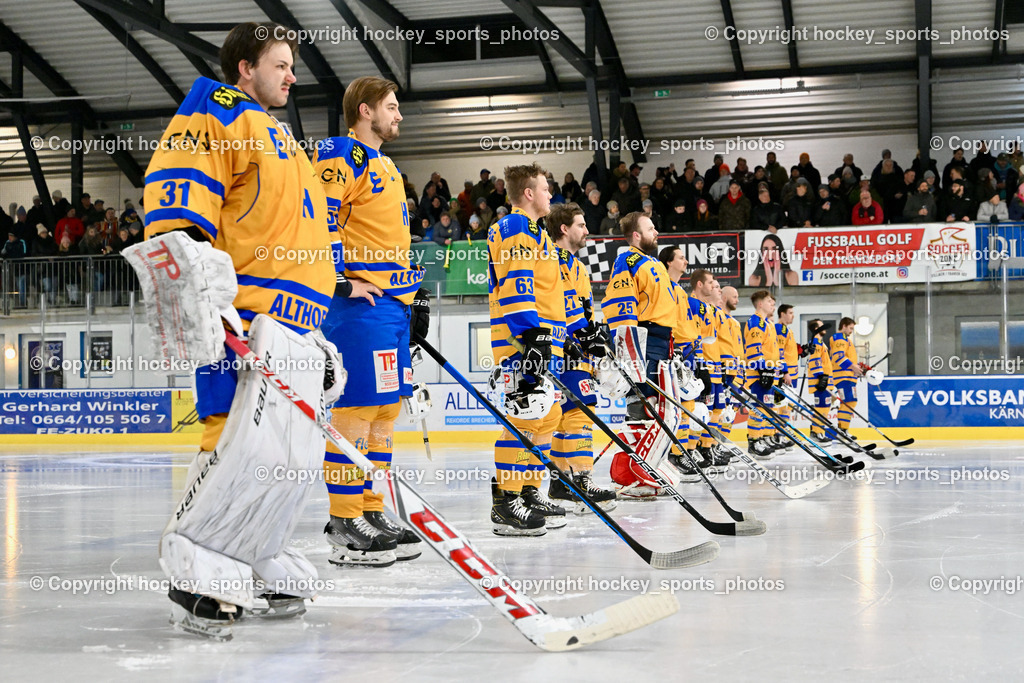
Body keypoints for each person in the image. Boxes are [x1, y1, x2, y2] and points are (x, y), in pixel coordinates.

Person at [142, 22, 338, 636]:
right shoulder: (219, 108)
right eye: (279, 64)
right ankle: (195, 556)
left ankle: (252, 544)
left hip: (298, 320)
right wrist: (202, 283)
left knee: (291, 454)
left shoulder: (286, 138)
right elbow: (181, 195)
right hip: (247, 314)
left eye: (292, 66)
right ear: (244, 68)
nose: (291, 75)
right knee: (234, 436)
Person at [314, 76, 428, 566]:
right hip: (359, 308)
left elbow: (384, 237)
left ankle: (371, 508)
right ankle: (343, 519)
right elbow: (323, 213)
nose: (399, 115)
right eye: (392, 106)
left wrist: (412, 293)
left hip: (391, 306)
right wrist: (340, 279)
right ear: (365, 111)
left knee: (386, 413)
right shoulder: (343, 153)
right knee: (356, 411)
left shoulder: (386, 163)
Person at [487, 163, 565, 536]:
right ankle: (506, 500)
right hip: (522, 339)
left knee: (546, 419)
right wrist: (530, 335)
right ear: (529, 193)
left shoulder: (537, 232)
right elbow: (516, 281)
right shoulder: (515, 226)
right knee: (524, 418)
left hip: (541, 338)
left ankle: (531, 490)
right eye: (546, 188)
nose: (551, 193)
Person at [543, 202, 617, 512]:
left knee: (568, 414)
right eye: (581, 225)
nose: (587, 230)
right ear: (564, 229)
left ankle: (563, 481)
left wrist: (595, 338)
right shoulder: (552, 260)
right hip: (561, 348)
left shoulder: (577, 266)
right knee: (575, 414)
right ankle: (580, 478)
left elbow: (583, 309)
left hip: (576, 350)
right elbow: (559, 304)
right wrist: (582, 336)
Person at [744, 290, 781, 458]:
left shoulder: (767, 324)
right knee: (759, 408)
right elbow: (754, 347)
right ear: (760, 304)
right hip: (759, 374)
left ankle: (760, 439)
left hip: (768, 373)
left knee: (766, 408)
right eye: (769, 301)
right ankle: (753, 441)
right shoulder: (756, 321)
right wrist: (763, 369)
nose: (772, 304)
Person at [830, 317, 863, 438]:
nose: (851, 331)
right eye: (850, 328)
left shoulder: (845, 339)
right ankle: (842, 430)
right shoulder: (840, 338)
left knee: (851, 401)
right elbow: (839, 357)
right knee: (849, 401)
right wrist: (853, 367)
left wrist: (856, 368)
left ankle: (843, 430)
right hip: (843, 376)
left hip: (848, 376)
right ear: (843, 326)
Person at [772, 304, 799, 450]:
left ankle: (782, 433)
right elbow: (779, 352)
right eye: (790, 313)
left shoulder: (786, 330)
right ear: (782, 314)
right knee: (780, 405)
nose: (792, 315)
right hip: (785, 375)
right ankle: (777, 435)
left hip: (792, 375)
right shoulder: (779, 329)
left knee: (787, 407)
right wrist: (785, 372)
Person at [805, 320, 834, 444]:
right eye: (821, 325)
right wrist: (821, 376)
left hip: (825, 380)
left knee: (825, 407)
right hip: (820, 381)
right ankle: (817, 432)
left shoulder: (820, 342)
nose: (825, 327)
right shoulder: (815, 342)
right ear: (816, 328)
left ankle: (819, 431)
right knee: (821, 407)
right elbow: (815, 360)